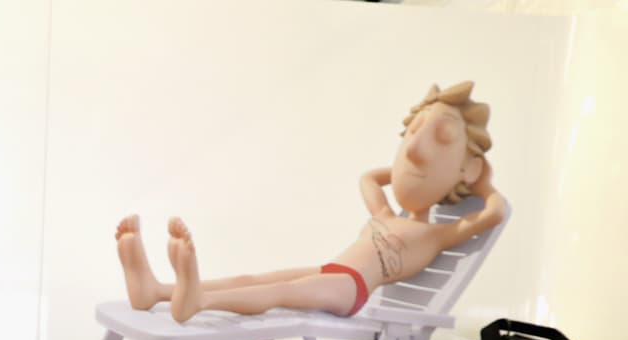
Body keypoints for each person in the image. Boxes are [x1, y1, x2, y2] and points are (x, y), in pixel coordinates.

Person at [117, 81, 507, 323]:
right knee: (253, 280)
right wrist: (399, 169)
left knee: (277, 294)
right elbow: (368, 178)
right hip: (331, 269)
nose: (416, 150)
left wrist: (482, 182)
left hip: (350, 288)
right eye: (414, 134)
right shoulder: (384, 212)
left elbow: (492, 214)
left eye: (438, 138)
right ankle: (155, 290)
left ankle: (196, 300)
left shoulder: (436, 234)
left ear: (468, 170)